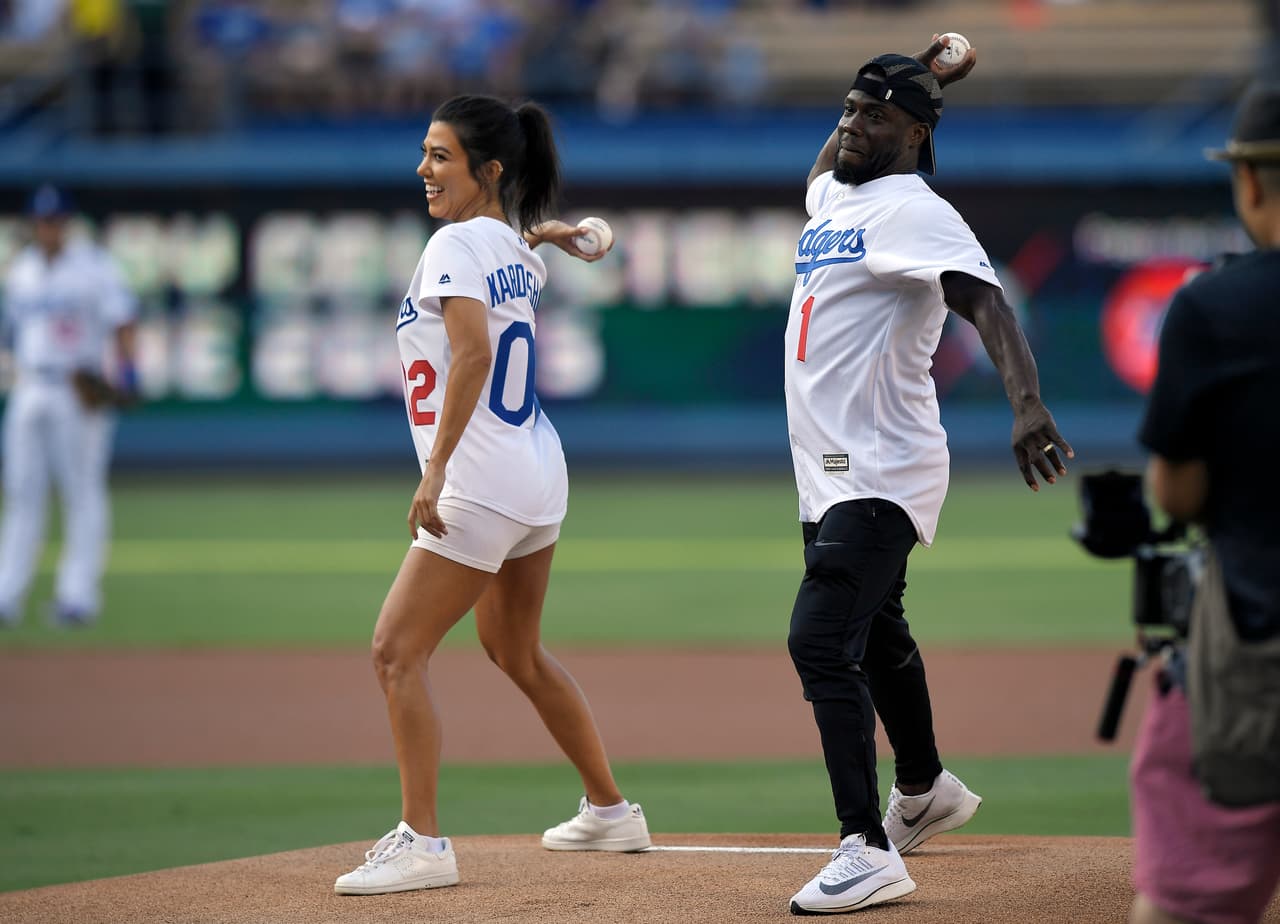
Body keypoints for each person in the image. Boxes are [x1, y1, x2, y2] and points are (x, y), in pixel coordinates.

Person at [782, 44, 1074, 915]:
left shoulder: (916, 210)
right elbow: (833, 153)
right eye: (846, 110)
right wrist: (916, 77)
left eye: (874, 116)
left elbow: (986, 301)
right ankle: (925, 790)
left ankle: (865, 848)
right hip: (829, 469)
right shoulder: (835, 193)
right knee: (876, 632)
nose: (851, 126)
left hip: (881, 466)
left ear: (915, 135)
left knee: (818, 639)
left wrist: (1025, 405)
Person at [334, 94, 650, 896]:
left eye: (441, 155)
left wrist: (435, 469)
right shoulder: (507, 246)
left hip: (479, 482)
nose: (424, 169)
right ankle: (611, 811)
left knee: (395, 651)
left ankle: (423, 843)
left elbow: (471, 356)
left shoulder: (455, 244)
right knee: (514, 649)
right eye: (426, 152)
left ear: (489, 170)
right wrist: (548, 232)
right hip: (538, 472)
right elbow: (512, 248)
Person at [1130, 80, 1280, 924]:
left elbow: (1177, 491)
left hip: (1254, 648)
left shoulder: (1212, 306)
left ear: (1249, 181)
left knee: (1196, 899)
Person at [0, 183, 138, 628]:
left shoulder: (94, 268)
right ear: (33, 224)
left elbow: (123, 319)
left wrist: (128, 371)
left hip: (77, 388)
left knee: (82, 493)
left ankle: (78, 598)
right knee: (22, 492)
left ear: (68, 223)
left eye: (56, 220)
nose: (49, 228)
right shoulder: (22, 270)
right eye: (42, 220)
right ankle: (7, 593)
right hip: (29, 385)